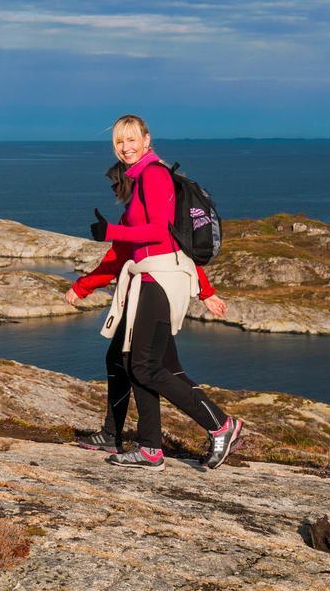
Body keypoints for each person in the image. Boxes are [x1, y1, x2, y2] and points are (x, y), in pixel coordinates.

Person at [64, 114, 243, 471]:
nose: (126, 147)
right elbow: (143, 249)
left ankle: (222, 426)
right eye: (119, 142)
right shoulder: (140, 178)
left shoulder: (154, 175)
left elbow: (160, 232)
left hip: (159, 279)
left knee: (142, 366)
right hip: (154, 276)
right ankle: (148, 448)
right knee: (142, 364)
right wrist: (85, 284)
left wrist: (112, 230)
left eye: (132, 139)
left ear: (147, 139)